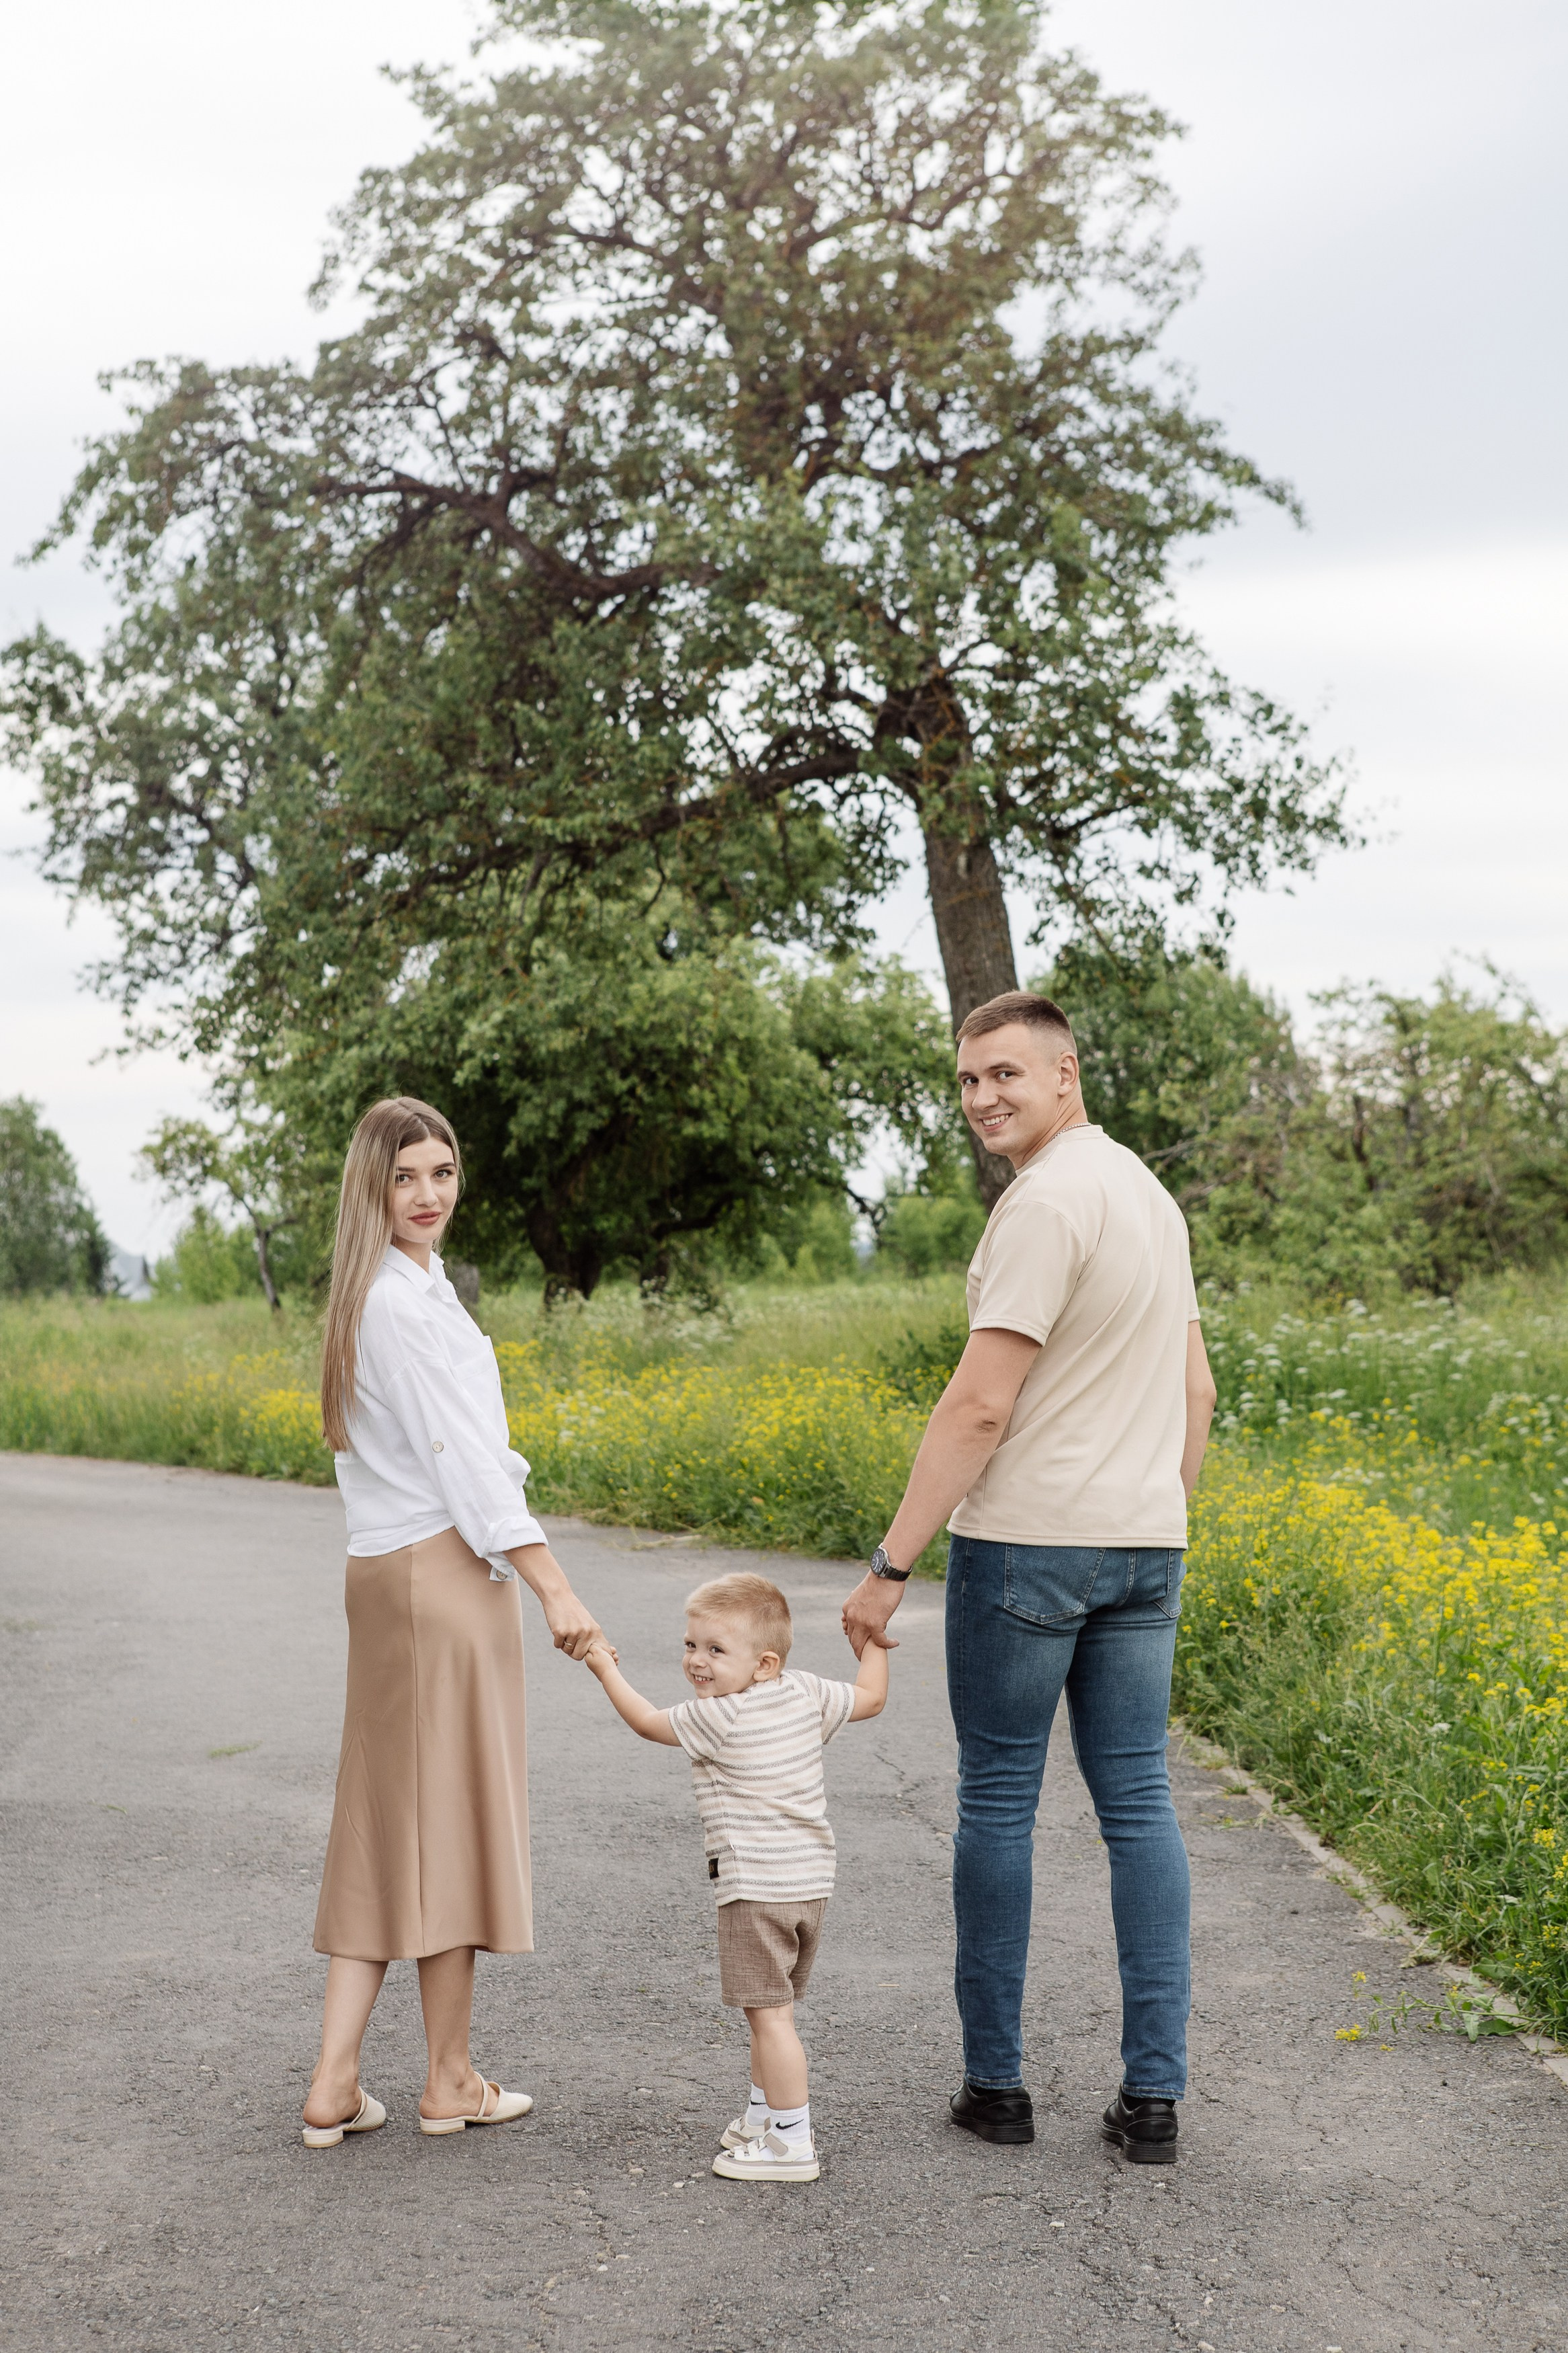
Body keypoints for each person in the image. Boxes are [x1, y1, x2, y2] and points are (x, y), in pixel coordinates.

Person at [841, 992, 1216, 2167]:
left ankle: (994, 2091)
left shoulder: (1042, 1205)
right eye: (965, 1082)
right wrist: (1152, 1510)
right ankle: (1151, 2104)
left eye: (1004, 1074)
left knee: (999, 1802)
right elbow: (1195, 1393)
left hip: (1026, 1552)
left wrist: (890, 1563)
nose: (982, 1098)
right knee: (1139, 1811)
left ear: (1066, 1072)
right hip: (1144, 1544)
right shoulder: (1146, 1197)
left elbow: (981, 1402)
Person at [300, 1096, 605, 2149]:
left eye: (442, 1173)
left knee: (386, 1825)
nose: (429, 1195)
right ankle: (448, 2076)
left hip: (384, 1573)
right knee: (453, 1821)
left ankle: (336, 2082)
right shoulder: (401, 1306)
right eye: (406, 1179)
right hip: (440, 1571)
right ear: (372, 1190)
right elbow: (466, 1467)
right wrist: (552, 1584)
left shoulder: (382, 1294)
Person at [580, 1571, 889, 2182]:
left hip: (754, 1888)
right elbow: (871, 1698)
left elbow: (644, 1721)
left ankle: (791, 2144)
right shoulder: (804, 1692)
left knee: (769, 2017)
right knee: (771, 2009)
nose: (697, 1662)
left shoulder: (716, 1717)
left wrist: (602, 1667)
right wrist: (874, 1640)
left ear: (765, 1663)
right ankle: (760, 2117)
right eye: (692, 1645)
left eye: (716, 1651)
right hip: (809, 1884)